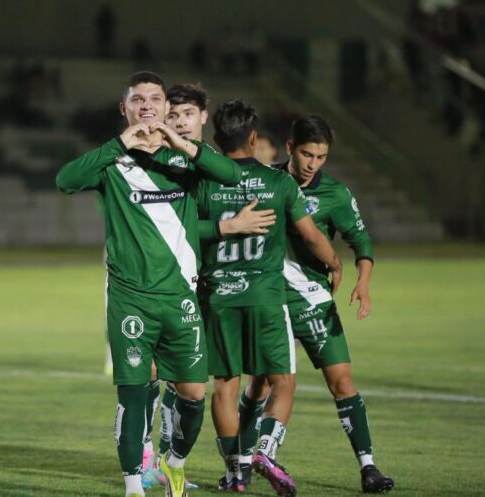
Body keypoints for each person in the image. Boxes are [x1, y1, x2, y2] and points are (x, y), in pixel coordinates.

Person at [56, 71, 241, 497]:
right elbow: (65, 180)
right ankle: (133, 488)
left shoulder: (186, 160)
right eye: (138, 100)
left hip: (180, 297)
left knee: (193, 393)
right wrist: (119, 144)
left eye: (155, 99)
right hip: (131, 300)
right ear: (125, 108)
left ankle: (172, 463)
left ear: (165, 107)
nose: (147, 106)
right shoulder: (112, 162)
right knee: (134, 394)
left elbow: (231, 174)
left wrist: (181, 143)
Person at [232, 115, 395, 493]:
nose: (312, 164)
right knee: (261, 383)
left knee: (342, 381)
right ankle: (242, 464)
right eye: (307, 154)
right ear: (290, 148)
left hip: (313, 300)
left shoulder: (335, 193)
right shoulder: (266, 181)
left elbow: (361, 242)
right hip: (268, 298)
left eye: (321, 157)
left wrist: (363, 283)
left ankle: (369, 468)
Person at [196, 102, 342, 495]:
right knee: (283, 382)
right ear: (253, 138)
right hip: (266, 296)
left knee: (225, 386)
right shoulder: (278, 182)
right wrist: (334, 262)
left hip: (220, 296)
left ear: (216, 140)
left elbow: (187, 229)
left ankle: (236, 474)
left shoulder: (204, 182)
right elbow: (311, 236)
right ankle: (265, 450)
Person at [140, 82, 212, 491]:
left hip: (206, 283)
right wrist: (226, 227)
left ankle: (171, 458)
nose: (181, 122)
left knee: (191, 384)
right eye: (174, 115)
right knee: (151, 372)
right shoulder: (158, 161)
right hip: (160, 283)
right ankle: (146, 457)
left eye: (188, 114)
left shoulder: (208, 162)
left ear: (204, 117)